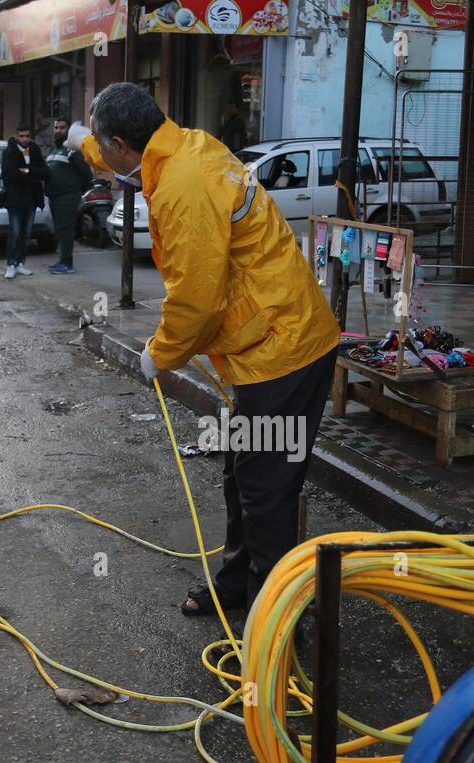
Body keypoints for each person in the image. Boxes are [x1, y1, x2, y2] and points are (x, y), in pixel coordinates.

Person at [70, 83, 339, 618]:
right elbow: (109, 149)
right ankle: (237, 587)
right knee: (242, 474)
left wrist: (159, 354)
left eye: (102, 145)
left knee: (266, 491)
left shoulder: (182, 187)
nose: (100, 156)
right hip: (264, 345)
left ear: (123, 143)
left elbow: (197, 300)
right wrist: (83, 139)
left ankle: (277, 628)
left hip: (281, 352)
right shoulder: (181, 143)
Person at [0, 123, 49, 279]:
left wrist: (27, 171)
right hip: (14, 199)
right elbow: (11, 174)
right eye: (22, 136)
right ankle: (10, 264)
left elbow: (46, 172)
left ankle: (21, 263)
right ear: (16, 136)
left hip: (32, 199)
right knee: (15, 232)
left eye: (27, 136)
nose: (25, 139)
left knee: (26, 233)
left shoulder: (34, 150)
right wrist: (32, 176)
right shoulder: (9, 152)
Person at [44, 117, 93, 274]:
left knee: (65, 229)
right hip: (54, 196)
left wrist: (77, 191)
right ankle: (62, 260)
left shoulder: (72, 150)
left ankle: (67, 263)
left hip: (67, 197)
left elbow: (85, 173)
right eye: (56, 127)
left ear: (68, 130)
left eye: (62, 128)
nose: (58, 130)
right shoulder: (53, 150)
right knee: (60, 229)